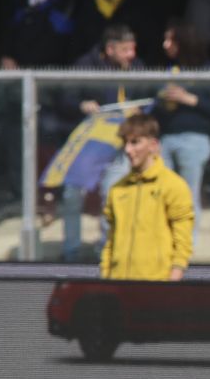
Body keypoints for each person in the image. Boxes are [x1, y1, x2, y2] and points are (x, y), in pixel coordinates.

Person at [57, 25, 146, 262]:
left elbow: (149, 98)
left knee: (113, 195)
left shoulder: (137, 67)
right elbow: (64, 99)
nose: (132, 55)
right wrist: (82, 105)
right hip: (87, 145)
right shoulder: (84, 65)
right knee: (72, 195)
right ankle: (71, 252)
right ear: (110, 49)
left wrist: (138, 110)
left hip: (118, 145)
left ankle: (106, 251)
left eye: (133, 49)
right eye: (126, 50)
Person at [101, 114, 193, 281]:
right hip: (117, 284)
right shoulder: (117, 189)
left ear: (153, 145)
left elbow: (183, 243)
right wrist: (105, 277)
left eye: (135, 142)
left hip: (157, 285)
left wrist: (173, 281)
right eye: (125, 143)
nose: (128, 150)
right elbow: (110, 242)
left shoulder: (174, 185)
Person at [154, 21, 210, 240]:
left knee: (187, 194)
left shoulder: (208, 70)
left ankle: (186, 247)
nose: (165, 45)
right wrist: (162, 101)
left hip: (194, 139)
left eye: (171, 40)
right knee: (163, 193)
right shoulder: (169, 70)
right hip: (165, 138)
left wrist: (189, 99)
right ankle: (165, 242)